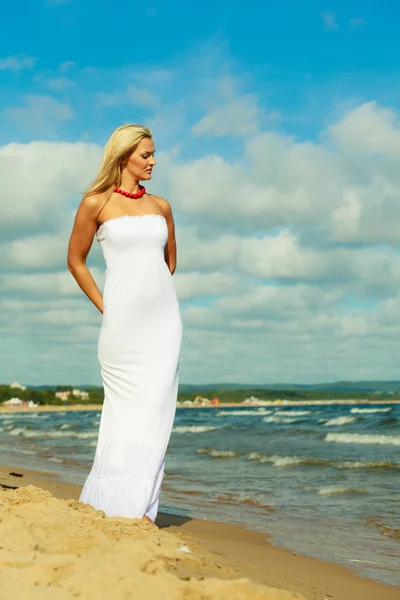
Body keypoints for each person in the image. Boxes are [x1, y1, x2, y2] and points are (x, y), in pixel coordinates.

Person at [67, 124, 182, 525]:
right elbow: (75, 261)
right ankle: (111, 502)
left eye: (153, 154)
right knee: (123, 412)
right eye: (145, 155)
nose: (153, 161)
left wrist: (153, 296)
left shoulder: (162, 206)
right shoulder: (95, 204)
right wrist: (108, 306)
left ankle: (143, 508)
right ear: (123, 157)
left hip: (164, 324)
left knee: (157, 411)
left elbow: (169, 262)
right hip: (121, 325)